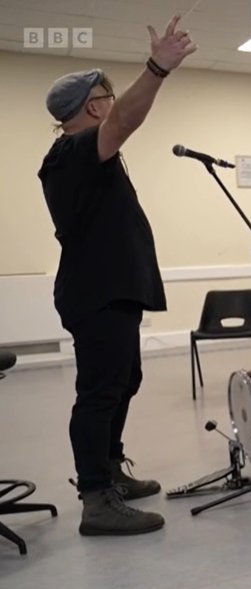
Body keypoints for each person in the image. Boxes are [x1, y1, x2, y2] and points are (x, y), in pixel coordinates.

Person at [37, 16, 196, 536]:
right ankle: (96, 499)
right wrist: (157, 69)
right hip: (96, 293)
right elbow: (124, 122)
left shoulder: (89, 157)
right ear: (93, 106)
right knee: (100, 392)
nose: (113, 101)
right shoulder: (73, 152)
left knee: (125, 381)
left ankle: (109, 470)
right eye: (108, 94)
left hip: (112, 290)